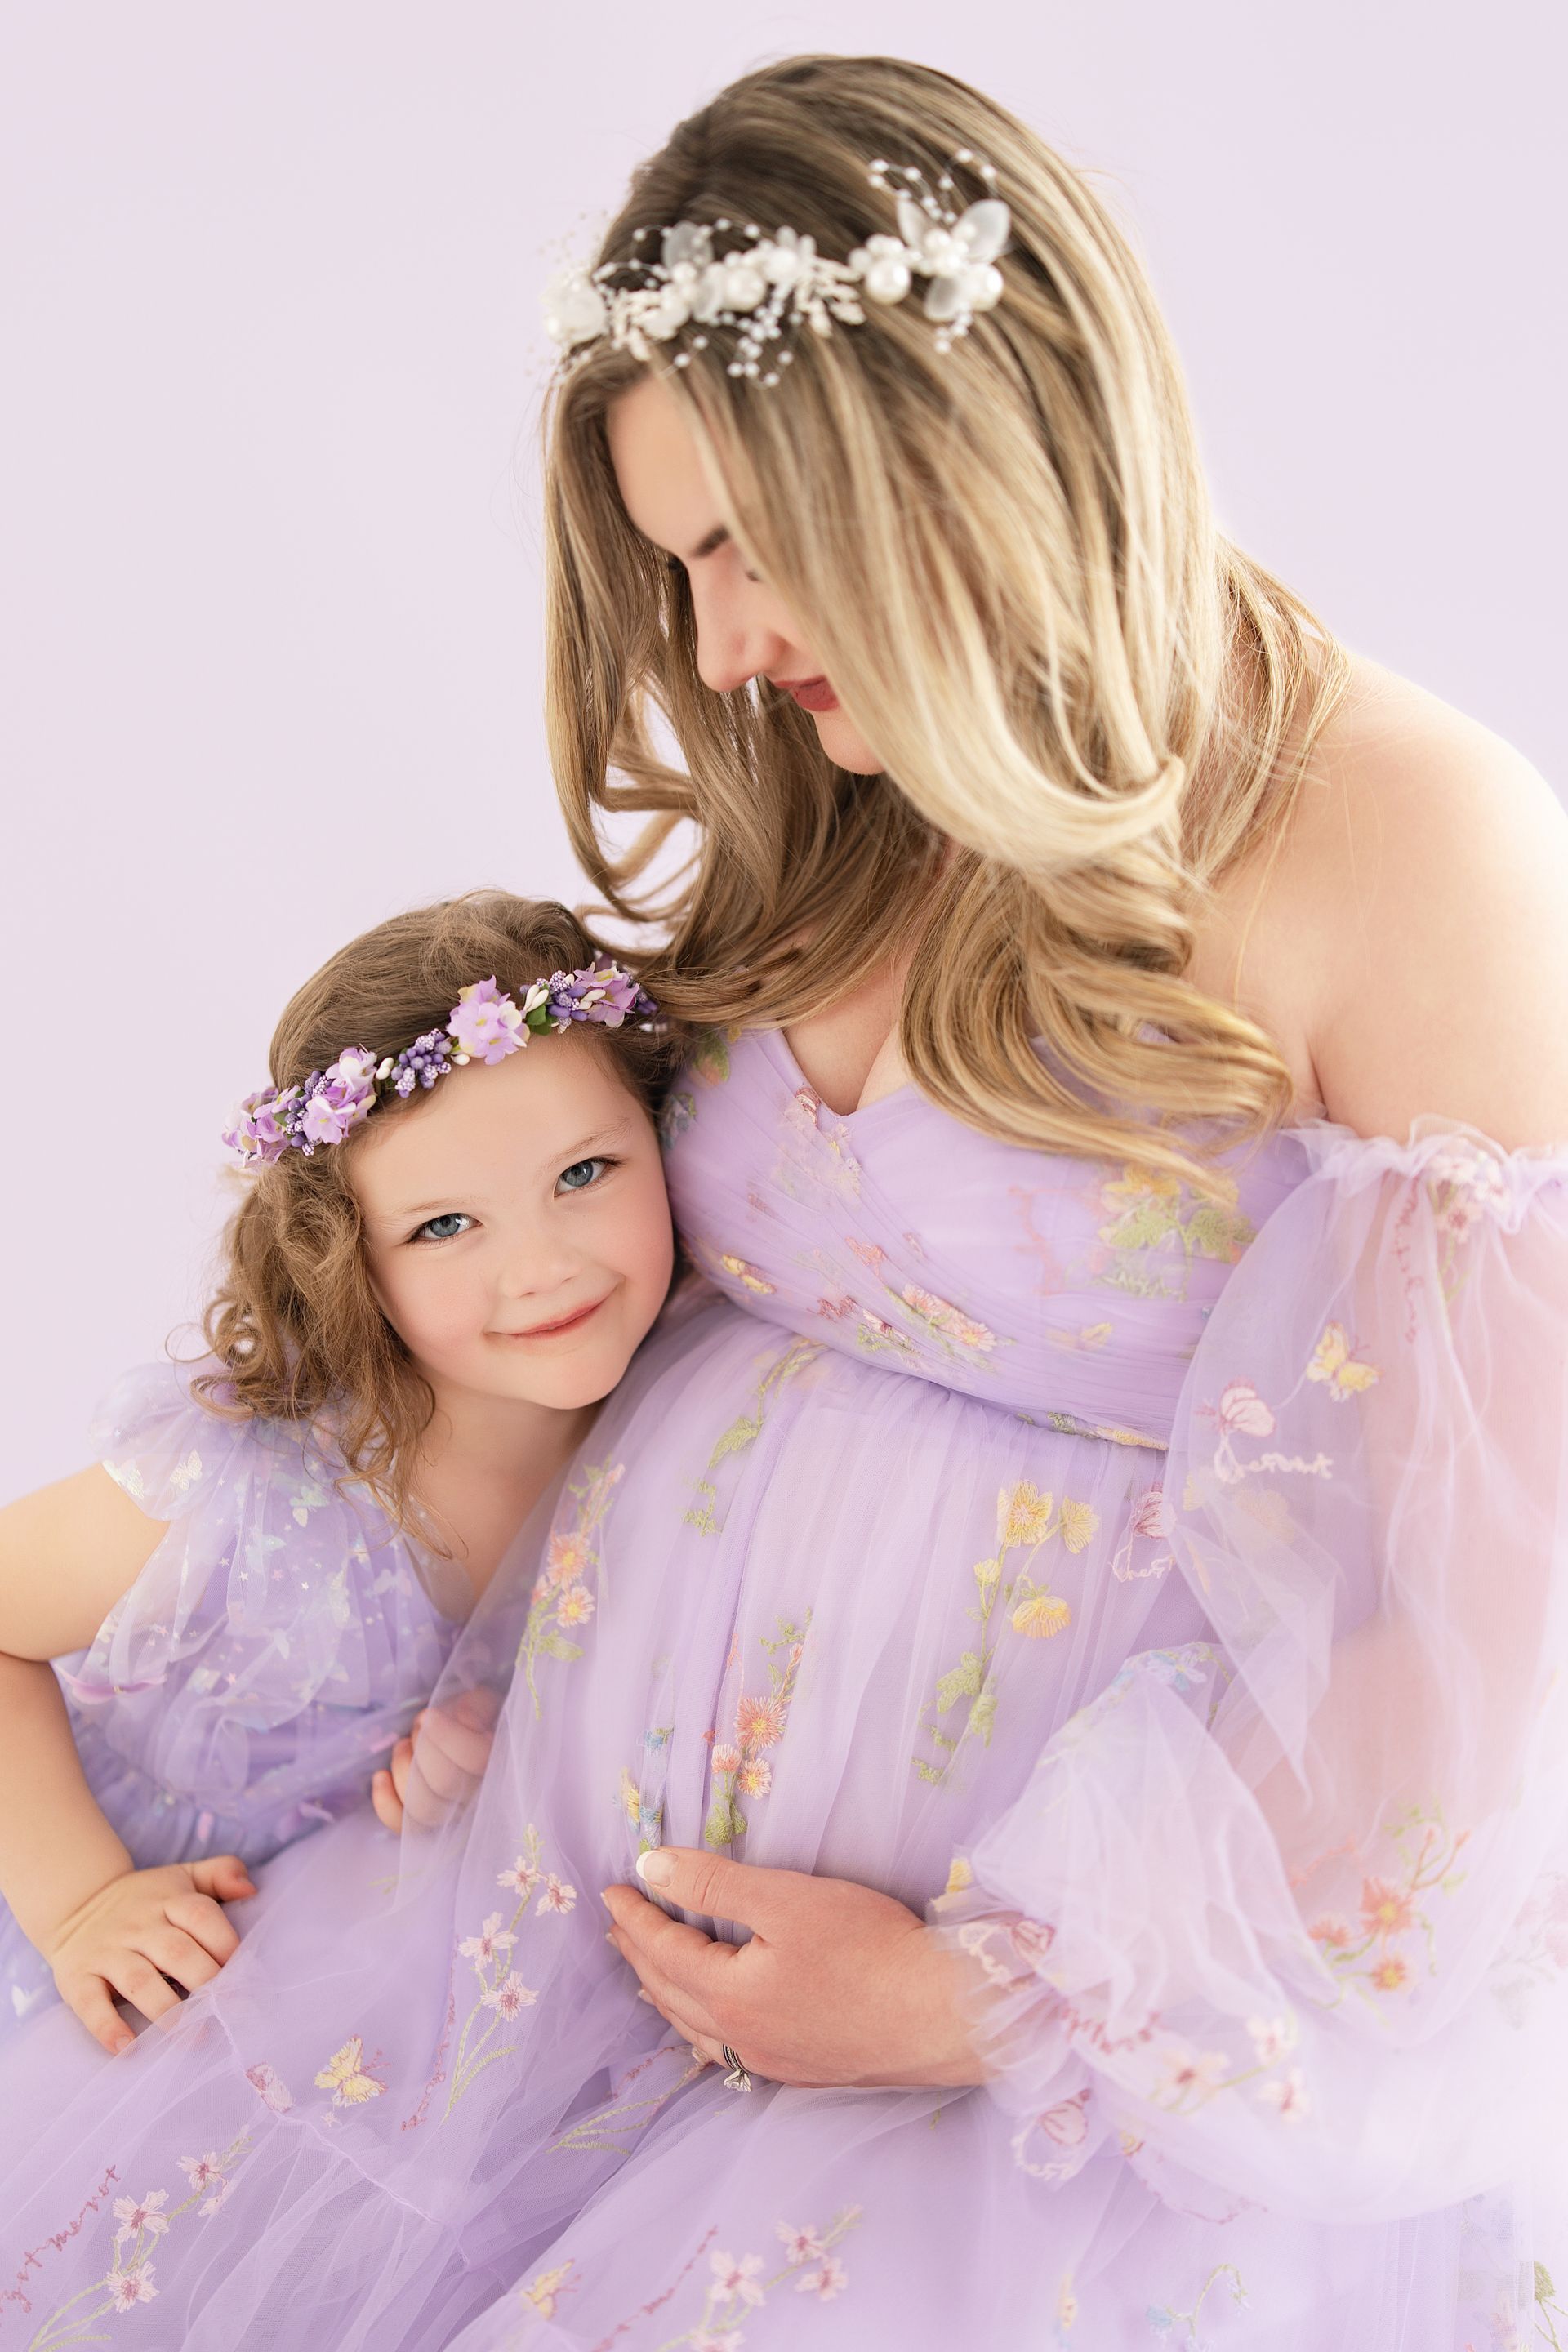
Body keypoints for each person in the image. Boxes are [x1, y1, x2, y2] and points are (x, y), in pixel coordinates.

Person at [3, 51, 1567, 2350]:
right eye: (680, 565)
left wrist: (992, 2006)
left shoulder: (1407, 832)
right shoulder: (856, 779)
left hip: (994, 2074)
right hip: (518, 1911)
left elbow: (1487, 1636)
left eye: (751, 543)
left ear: (962, 444)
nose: (723, 640)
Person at [0, 890, 673, 2053]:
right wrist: (77, 1903)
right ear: (344, 1262)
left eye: (583, 1175)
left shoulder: (675, 1437)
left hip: (317, 1971)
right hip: (84, 1936)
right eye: (445, 1226)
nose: (543, 1267)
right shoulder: (249, 1488)